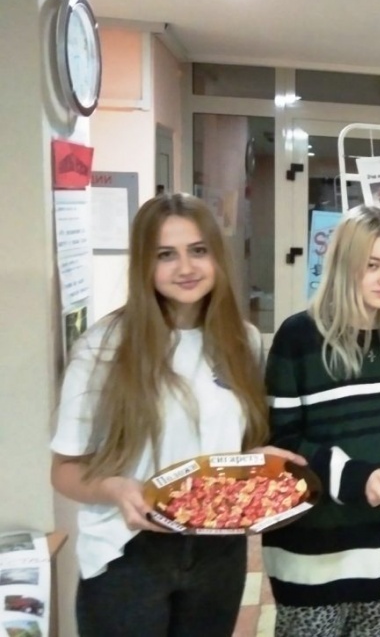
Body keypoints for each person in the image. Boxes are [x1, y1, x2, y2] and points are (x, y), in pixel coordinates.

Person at [50, 193, 299, 637]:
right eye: (166, 255)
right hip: (128, 555)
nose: (185, 267)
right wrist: (114, 489)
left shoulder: (241, 340)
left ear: (216, 256)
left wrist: (259, 463)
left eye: (198, 250)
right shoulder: (103, 347)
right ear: (144, 264)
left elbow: (232, 445)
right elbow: (64, 470)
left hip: (218, 550)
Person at [262, 205, 380, 637]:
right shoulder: (298, 338)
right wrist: (354, 477)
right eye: (372, 265)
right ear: (343, 265)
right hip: (314, 550)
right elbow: (281, 445)